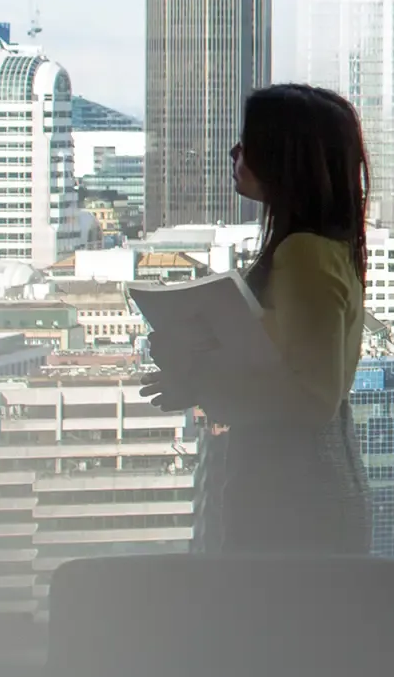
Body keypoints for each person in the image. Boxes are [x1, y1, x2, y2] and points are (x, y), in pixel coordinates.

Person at [147, 83, 371, 554]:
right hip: (307, 486)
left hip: (293, 497)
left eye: (249, 140)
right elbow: (284, 367)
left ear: (284, 156)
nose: (235, 151)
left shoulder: (303, 253)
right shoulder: (325, 249)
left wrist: (202, 378)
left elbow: (310, 400)